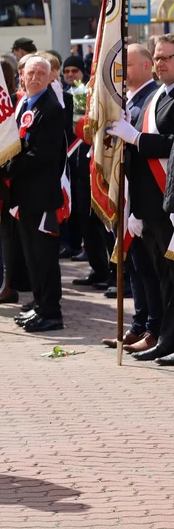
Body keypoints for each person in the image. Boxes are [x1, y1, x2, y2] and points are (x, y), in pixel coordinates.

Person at [111, 35, 174, 365]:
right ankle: (166, 339)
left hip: (169, 203)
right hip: (149, 204)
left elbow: (171, 143)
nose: (161, 63)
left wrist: (136, 137)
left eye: (167, 57)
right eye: (159, 57)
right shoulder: (156, 97)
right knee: (164, 278)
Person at [102, 44, 161, 352]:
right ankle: (139, 325)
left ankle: (153, 329)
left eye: (130, 64)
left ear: (147, 66)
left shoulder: (153, 98)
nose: (124, 71)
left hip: (148, 197)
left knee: (149, 269)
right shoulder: (132, 100)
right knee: (136, 266)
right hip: (132, 198)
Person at [4, 57, 67, 333]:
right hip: (25, 195)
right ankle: (39, 304)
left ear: (50, 77)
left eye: (42, 73)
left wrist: (9, 167)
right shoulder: (24, 104)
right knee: (30, 255)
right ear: (23, 76)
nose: (37, 77)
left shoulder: (51, 108)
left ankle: (51, 310)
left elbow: (43, 153)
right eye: (32, 73)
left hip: (42, 196)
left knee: (44, 256)